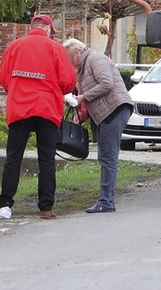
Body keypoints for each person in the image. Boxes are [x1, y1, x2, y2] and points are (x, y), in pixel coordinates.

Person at [0, 14, 77, 220]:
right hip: (47, 110)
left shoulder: (14, 46)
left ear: (32, 27)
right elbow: (68, 82)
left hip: (20, 108)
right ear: (47, 29)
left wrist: (18, 89)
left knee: (13, 158)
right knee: (47, 159)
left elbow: (3, 77)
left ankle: (5, 205)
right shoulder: (56, 49)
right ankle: (45, 208)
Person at [63, 38, 133, 213]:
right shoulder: (83, 68)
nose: (70, 64)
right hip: (105, 113)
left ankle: (107, 201)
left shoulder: (96, 59)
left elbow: (107, 84)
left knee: (108, 156)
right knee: (104, 156)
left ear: (77, 53)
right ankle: (105, 199)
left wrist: (83, 97)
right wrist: (79, 112)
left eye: (70, 60)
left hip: (115, 110)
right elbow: (86, 96)